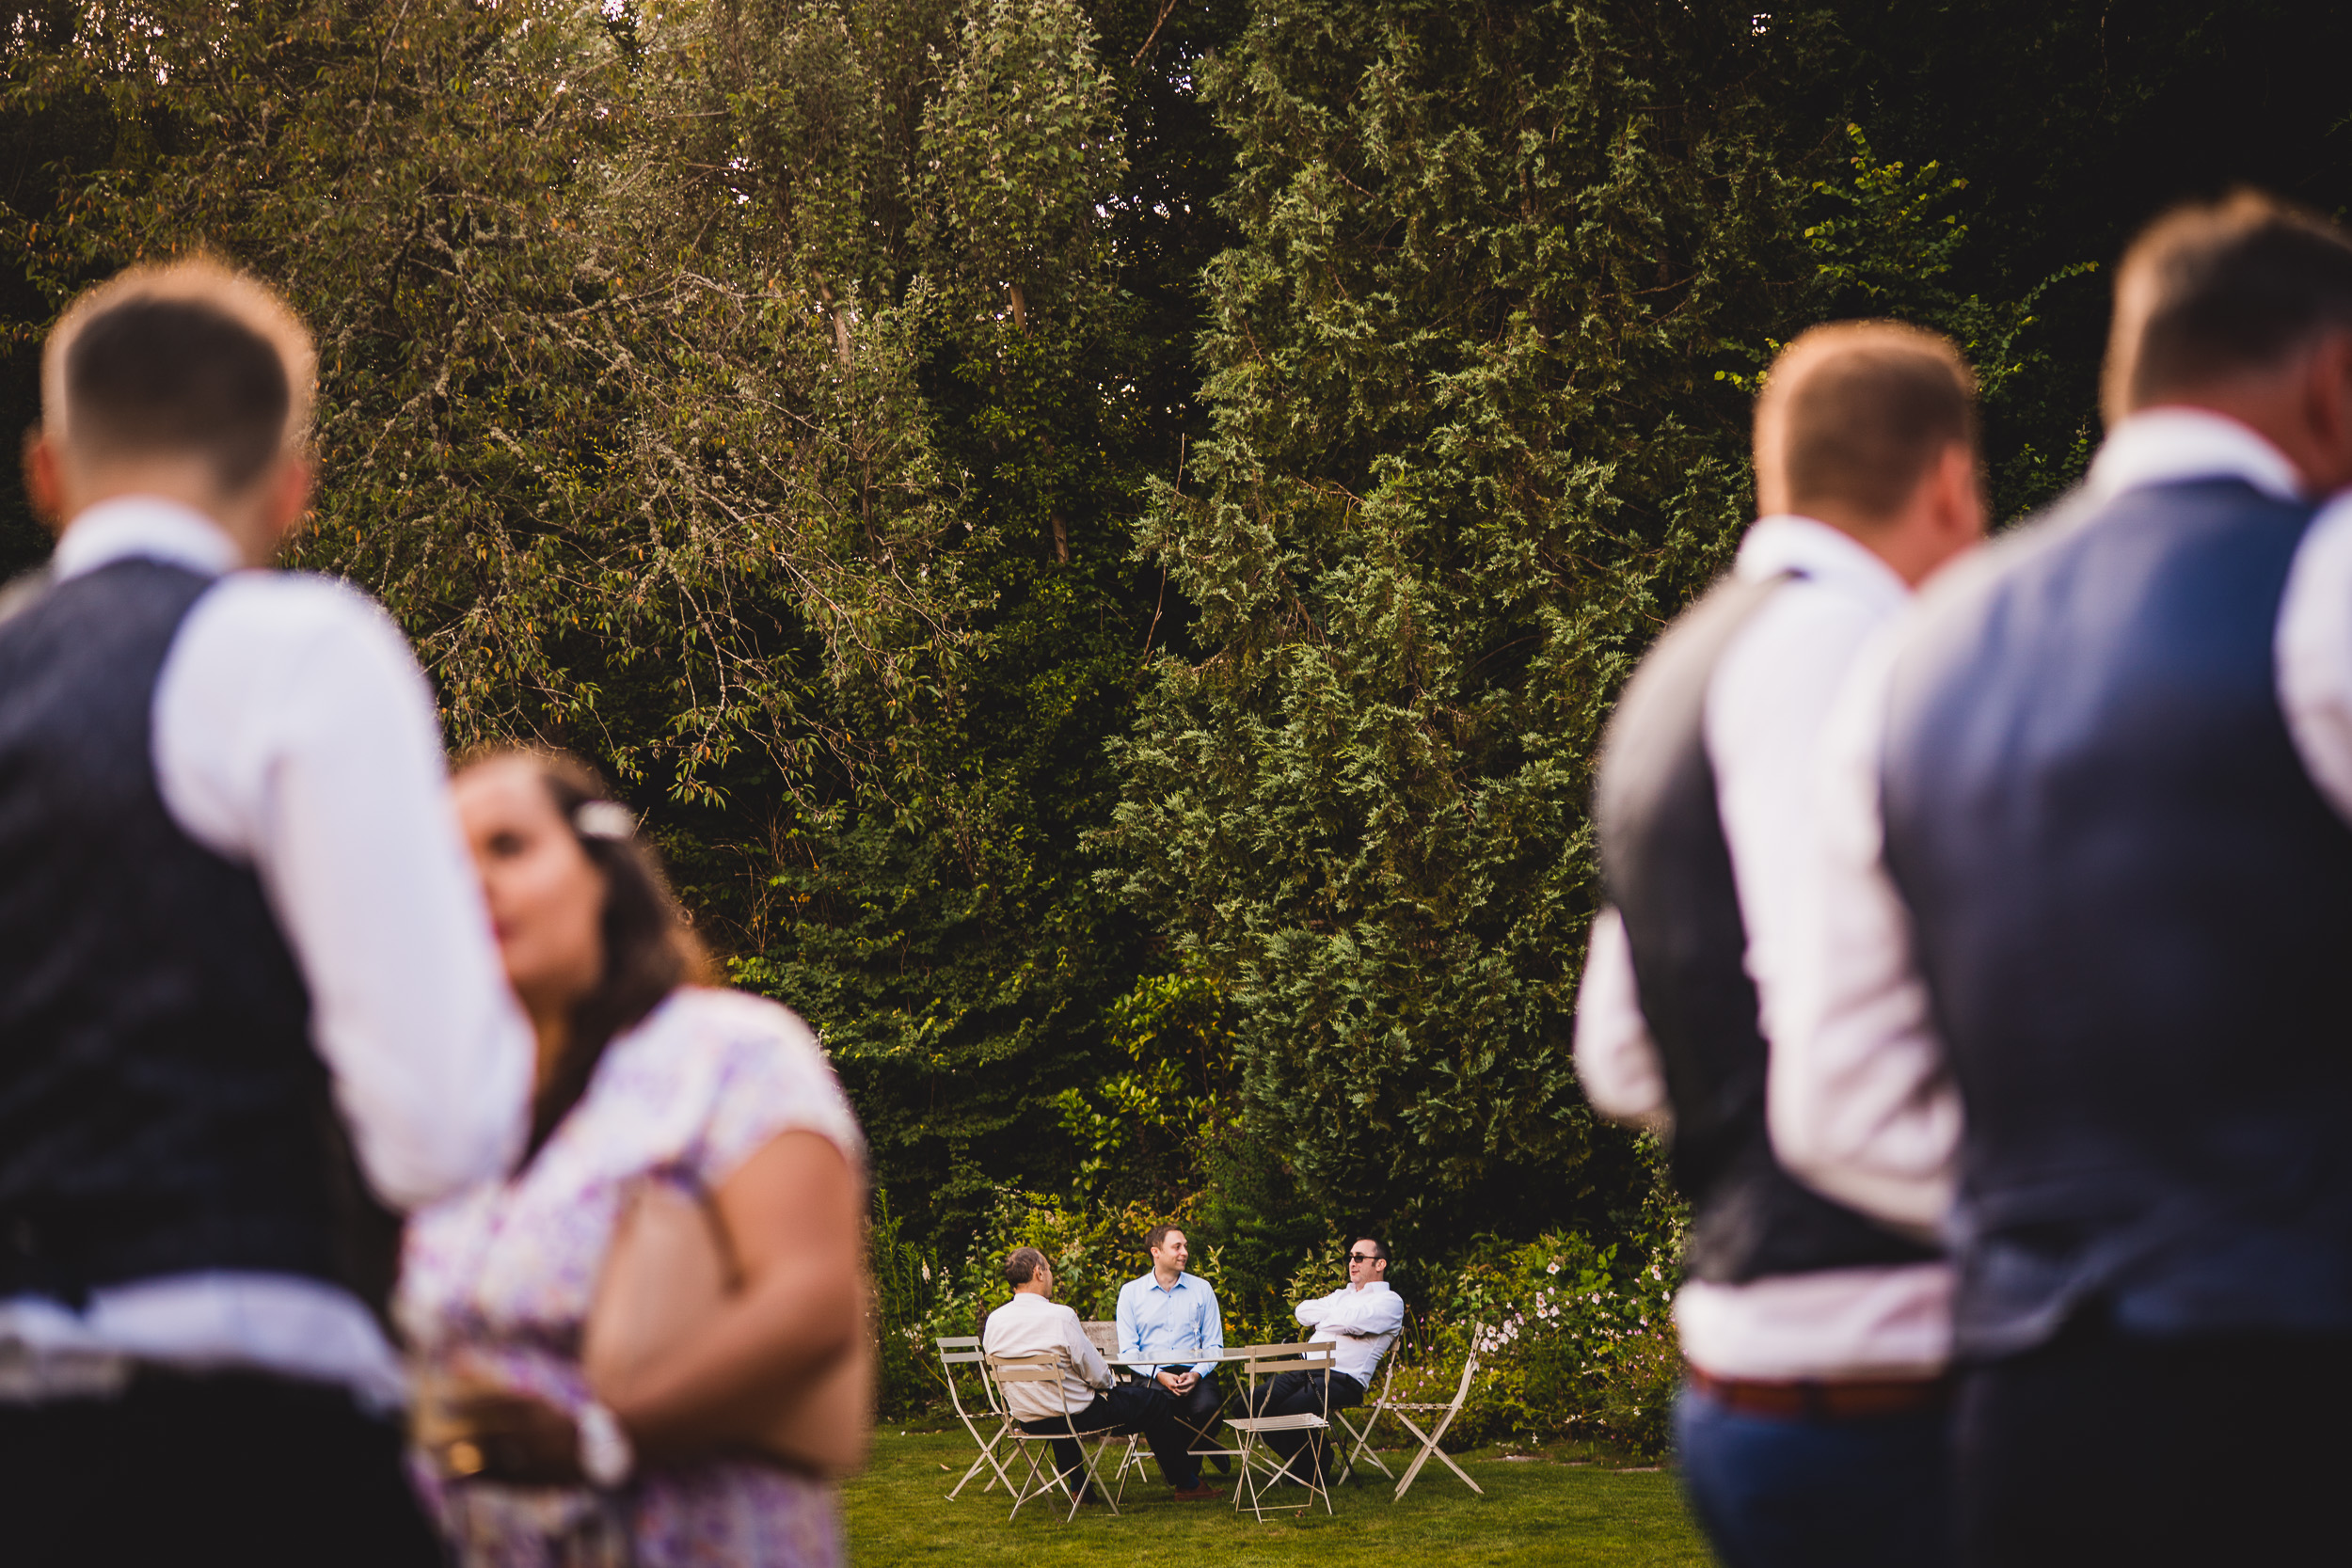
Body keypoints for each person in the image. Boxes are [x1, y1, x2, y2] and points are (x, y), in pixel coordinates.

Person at [1770, 192, 2352, 1566]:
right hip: (2301, 1386)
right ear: (2331, 372)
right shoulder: (2325, 578)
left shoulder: (1907, 653)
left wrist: (2058, 1208)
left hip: (2027, 1412)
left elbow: (1834, 1091)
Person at [0, 257, 533, 1566]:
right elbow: (440, 1126)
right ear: (290, 487)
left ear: (47, 474)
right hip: (244, 1443)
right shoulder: (297, 650)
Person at [1577, 322, 1986, 1566]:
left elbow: (1621, 1055)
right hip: (1883, 1383)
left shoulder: (1674, 670)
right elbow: (1834, 1082)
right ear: (1951, 483)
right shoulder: (1845, 655)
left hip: (1746, 1374)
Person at [398, 748, 867, 1567]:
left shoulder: (729, 1053)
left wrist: (600, 1439)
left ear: (601, 870)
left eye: (508, 846)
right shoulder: (455, 1110)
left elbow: (811, 1301)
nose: (475, 883)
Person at [981, 1246, 1194, 1503]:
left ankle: (1079, 1485)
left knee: (1060, 1402)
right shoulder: (1060, 1316)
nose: (1050, 1276)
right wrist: (1108, 1385)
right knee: (1155, 1402)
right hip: (1074, 1415)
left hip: (1027, 1417)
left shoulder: (994, 1320)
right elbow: (1097, 1375)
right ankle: (1188, 1484)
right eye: (1048, 1269)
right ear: (1038, 1272)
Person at [1248, 1236, 1405, 1483]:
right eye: (1351, 1257)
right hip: (1305, 1370)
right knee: (1249, 1405)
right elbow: (1302, 1312)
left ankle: (1312, 1464)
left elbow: (1350, 1322)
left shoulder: (1390, 1302)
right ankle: (1312, 1460)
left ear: (1380, 1264)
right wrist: (1339, 1319)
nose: (1352, 1263)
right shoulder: (1342, 1295)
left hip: (1344, 1380)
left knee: (1289, 1411)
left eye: (1360, 1257)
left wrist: (1326, 1320)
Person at [1114, 1223, 1227, 1497]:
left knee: (1209, 1408)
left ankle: (1189, 1464)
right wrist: (1159, 1374)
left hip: (1196, 1371)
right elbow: (1129, 1351)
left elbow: (1214, 1344)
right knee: (1159, 1409)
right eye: (1177, 1246)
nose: (1184, 1252)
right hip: (1151, 1374)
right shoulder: (1131, 1293)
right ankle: (1189, 1478)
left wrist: (1198, 1374)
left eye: (1185, 1246)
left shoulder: (1202, 1289)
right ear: (1156, 1251)